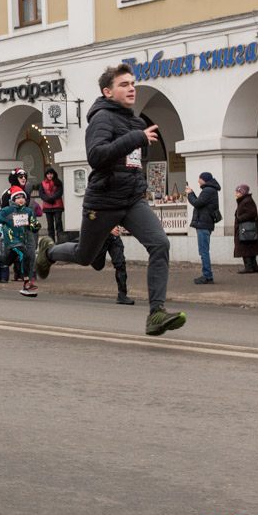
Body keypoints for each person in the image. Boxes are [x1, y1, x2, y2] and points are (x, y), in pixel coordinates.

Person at [36, 63, 186, 336]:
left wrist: (140, 181)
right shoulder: (102, 118)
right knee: (85, 256)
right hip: (103, 200)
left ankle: (156, 313)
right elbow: (97, 156)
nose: (131, 89)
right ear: (107, 91)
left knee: (160, 243)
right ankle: (49, 251)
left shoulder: (136, 122)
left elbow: (137, 161)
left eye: (132, 84)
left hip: (131, 200)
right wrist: (134, 138)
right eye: (124, 85)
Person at [0, 187, 39, 296]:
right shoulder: (7, 211)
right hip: (11, 240)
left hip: (22, 240)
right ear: (13, 199)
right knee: (26, 255)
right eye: (18, 198)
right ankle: (26, 283)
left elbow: (32, 226)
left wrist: (36, 226)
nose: (21, 199)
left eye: (22, 197)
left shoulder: (28, 212)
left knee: (7, 261)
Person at [186, 172, 221, 285]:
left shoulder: (208, 190)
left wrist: (190, 194)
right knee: (204, 251)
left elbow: (197, 203)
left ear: (204, 179)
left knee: (203, 251)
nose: (198, 180)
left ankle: (207, 276)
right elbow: (201, 202)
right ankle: (207, 275)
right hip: (205, 223)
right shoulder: (210, 190)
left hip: (203, 224)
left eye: (199, 178)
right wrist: (193, 193)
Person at [92, 226, 134, 304]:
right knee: (97, 265)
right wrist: (109, 228)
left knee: (120, 264)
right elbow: (94, 219)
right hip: (101, 237)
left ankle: (122, 295)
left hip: (114, 238)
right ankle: (81, 250)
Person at [233, 184, 258, 274]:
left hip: (245, 230)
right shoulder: (246, 200)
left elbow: (252, 213)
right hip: (247, 229)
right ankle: (253, 266)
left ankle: (249, 267)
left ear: (243, 192)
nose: (236, 193)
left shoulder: (246, 201)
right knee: (250, 248)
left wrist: (239, 218)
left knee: (246, 247)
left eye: (238, 191)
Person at [40, 167, 64, 242]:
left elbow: (59, 192)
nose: (49, 175)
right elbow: (41, 193)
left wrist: (53, 198)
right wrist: (48, 199)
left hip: (57, 205)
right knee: (50, 224)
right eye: (48, 174)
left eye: (51, 174)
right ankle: (51, 240)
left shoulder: (58, 182)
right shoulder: (43, 183)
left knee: (58, 222)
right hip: (47, 206)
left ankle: (60, 239)